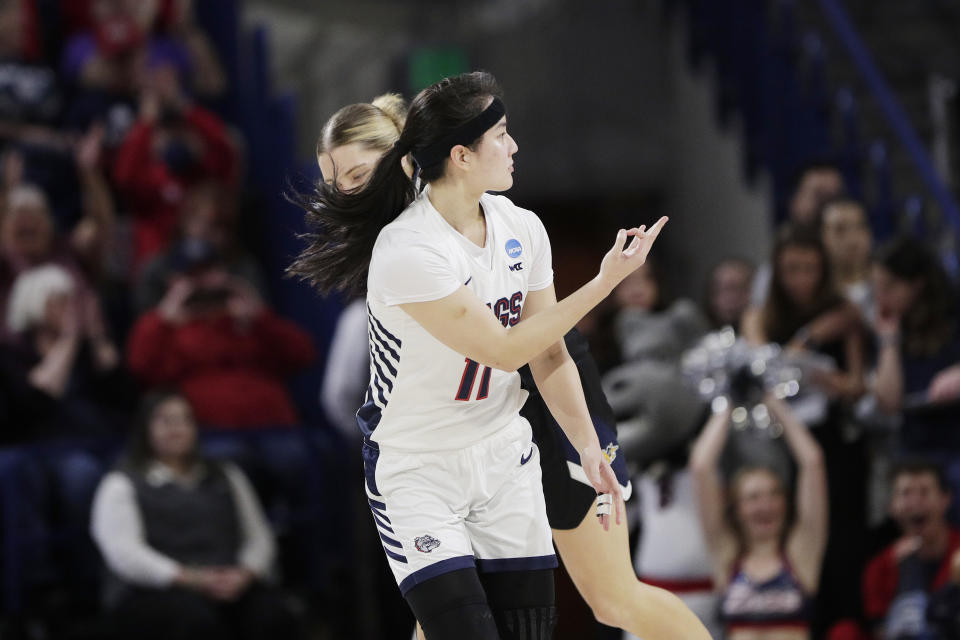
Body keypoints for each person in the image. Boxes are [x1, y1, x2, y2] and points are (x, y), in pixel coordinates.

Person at [289, 71, 704, 639]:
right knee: (442, 610)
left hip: (538, 382)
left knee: (613, 598)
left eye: (358, 175)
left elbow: (532, 345)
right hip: (460, 421)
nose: (345, 194)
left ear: (409, 161)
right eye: (335, 183)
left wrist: (585, 441)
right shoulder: (400, 242)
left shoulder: (493, 217)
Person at [90, 390, 303, 640]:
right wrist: (188, 578)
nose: (176, 428)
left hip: (230, 581)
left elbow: (259, 535)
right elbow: (124, 553)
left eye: (184, 419)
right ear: (144, 427)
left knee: (273, 616)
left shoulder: (226, 474)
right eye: (165, 420)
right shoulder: (122, 482)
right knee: (194, 622)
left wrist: (247, 572)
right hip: (156, 590)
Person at [690, 394, 828, 640]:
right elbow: (701, 466)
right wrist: (728, 401)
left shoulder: (801, 553)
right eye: (753, 498)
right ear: (738, 509)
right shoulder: (727, 555)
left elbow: (812, 461)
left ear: (785, 503)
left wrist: (772, 400)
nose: (765, 505)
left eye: (774, 494)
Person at [861, 459, 960, 639]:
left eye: (924, 492)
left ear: (945, 500)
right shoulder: (880, 568)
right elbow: (878, 631)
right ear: (892, 507)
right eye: (905, 493)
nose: (915, 502)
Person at [820, 197, 873, 321]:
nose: (853, 240)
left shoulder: (890, 286)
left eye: (860, 227)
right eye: (840, 230)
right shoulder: (810, 291)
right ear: (823, 237)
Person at [702, 257, 755, 332]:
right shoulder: (699, 341)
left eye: (738, 289)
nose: (730, 298)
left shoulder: (766, 340)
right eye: (720, 289)